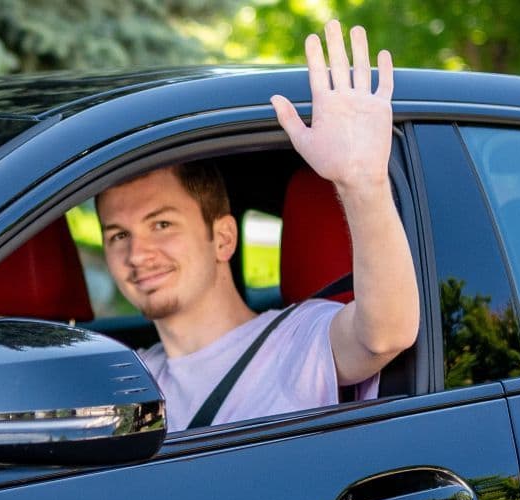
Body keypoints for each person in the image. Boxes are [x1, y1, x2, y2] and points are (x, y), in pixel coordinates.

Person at [94, 21, 418, 431]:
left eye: (161, 224)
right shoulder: (128, 382)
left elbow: (385, 334)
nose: (137, 254)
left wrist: (362, 183)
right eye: (119, 235)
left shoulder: (297, 339)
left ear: (223, 238)